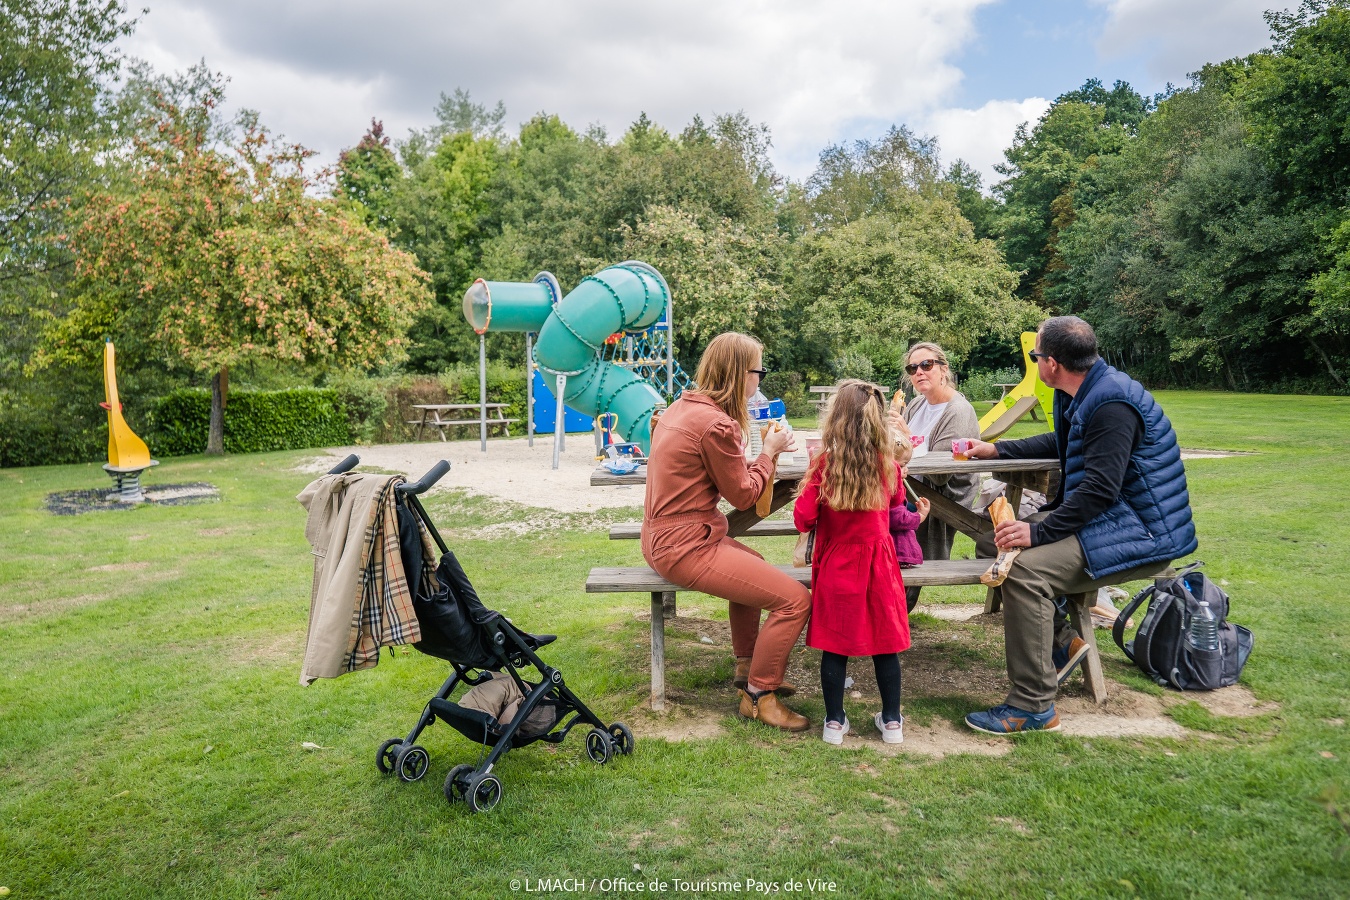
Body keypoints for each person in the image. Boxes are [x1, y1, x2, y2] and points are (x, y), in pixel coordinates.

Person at [961, 316, 1198, 734]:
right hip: (1110, 518)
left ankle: (1033, 706)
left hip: (1141, 530)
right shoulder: (1081, 390)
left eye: (1036, 357)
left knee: (1025, 571)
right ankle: (1062, 644)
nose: (1035, 363)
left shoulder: (1112, 403)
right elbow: (1062, 442)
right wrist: (997, 448)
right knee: (990, 543)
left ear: (1051, 363)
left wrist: (1036, 532)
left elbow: (1100, 490)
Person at [642, 332, 812, 732]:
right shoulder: (716, 424)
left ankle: (747, 663)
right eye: (759, 371)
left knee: (751, 564)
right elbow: (744, 496)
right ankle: (759, 695)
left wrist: (757, 458)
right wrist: (769, 454)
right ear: (741, 374)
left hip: (663, 538)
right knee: (795, 600)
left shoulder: (682, 407)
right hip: (684, 545)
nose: (760, 379)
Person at [793, 380, 911, 745]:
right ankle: (891, 722)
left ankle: (834, 721)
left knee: (836, 644)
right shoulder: (887, 464)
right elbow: (896, 508)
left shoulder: (824, 464)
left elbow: (803, 518)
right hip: (879, 561)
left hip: (837, 563)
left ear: (836, 418)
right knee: (885, 642)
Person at [890, 342, 981, 610]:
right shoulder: (917, 404)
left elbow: (941, 475)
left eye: (927, 365)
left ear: (943, 369)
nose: (919, 372)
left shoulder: (958, 411)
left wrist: (903, 436)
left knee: (882, 516)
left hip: (943, 496)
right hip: (910, 486)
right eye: (912, 367)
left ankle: (895, 605)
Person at [888, 415, 929, 568]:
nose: (906, 469)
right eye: (902, 464)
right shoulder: (890, 488)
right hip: (898, 553)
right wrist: (920, 516)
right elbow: (898, 518)